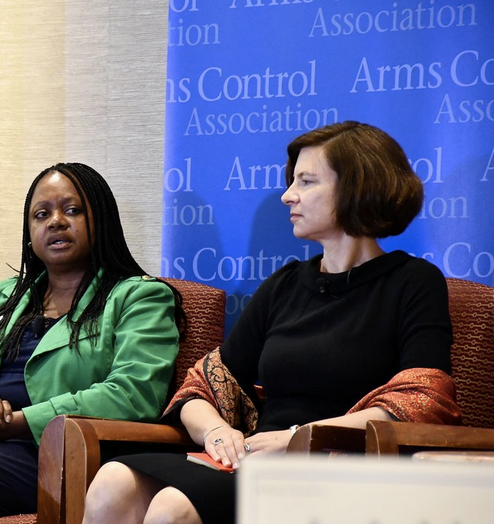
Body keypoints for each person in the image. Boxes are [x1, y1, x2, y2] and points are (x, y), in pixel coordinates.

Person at [82, 121, 463, 524]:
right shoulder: (284, 284)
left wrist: (299, 437)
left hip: (342, 467)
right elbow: (202, 387)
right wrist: (215, 432)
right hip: (256, 458)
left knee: (172, 507)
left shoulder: (412, 282)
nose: (287, 195)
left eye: (306, 181)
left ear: (357, 187)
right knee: (112, 481)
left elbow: (425, 400)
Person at [0, 162, 185, 524]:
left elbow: (134, 393)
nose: (55, 221)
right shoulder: (3, 297)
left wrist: (19, 421)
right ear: (29, 232)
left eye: (72, 210)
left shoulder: (138, 297)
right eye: (42, 214)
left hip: (58, 456)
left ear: (101, 221)